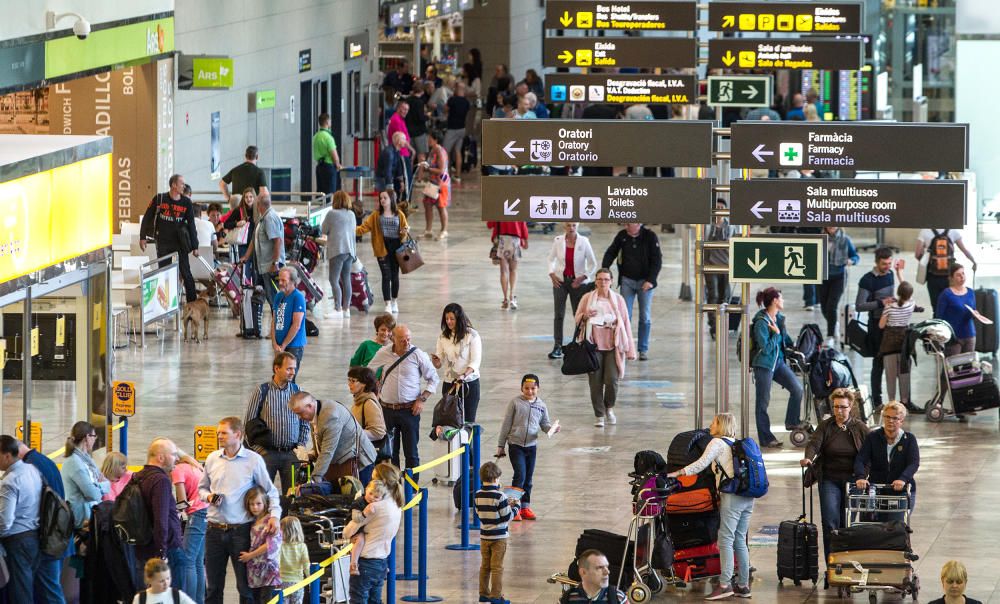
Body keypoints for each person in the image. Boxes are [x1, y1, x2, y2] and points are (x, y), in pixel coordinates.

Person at [667, 413, 753, 599]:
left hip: (732, 496)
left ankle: (724, 585)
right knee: (739, 539)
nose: (710, 425)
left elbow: (700, 464)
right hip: (748, 496)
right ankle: (743, 585)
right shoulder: (737, 444)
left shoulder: (717, 443)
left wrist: (677, 473)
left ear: (721, 425)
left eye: (714, 422)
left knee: (725, 539)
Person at [198, 416, 281, 604]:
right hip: (214, 530)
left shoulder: (253, 460)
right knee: (213, 587)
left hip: (241, 532)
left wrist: (275, 517)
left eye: (224, 433)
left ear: (238, 435)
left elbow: (271, 491)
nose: (219, 436)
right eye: (219, 432)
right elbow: (201, 488)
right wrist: (209, 497)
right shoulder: (212, 459)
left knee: (245, 587)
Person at [801, 388, 871, 561]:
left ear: (851, 407)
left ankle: (847, 562)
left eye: (843, 407)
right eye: (836, 407)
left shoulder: (860, 428)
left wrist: (864, 475)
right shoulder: (826, 425)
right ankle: (832, 563)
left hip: (854, 481)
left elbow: (870, 452)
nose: (839, 411)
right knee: (830, 522)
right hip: (829, 479)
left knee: (847, 523)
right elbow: (814, 443)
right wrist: (808, 458)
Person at [369, 325, 440, 473]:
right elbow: (369, 371)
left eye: (408, 339)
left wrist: (422, 399)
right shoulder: (384, 353)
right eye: (402, 340)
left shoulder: (417, 354)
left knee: (411, 453)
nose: (406, 343)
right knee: (389, 451)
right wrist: (374, 388)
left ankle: (412, 488)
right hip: (387, 410)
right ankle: (394, 486)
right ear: (392, 339)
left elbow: (433, 379)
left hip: (410, 410)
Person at [575, 268, 636, 427]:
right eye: (600, 279)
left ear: (611, 281)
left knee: (612, 380)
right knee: (595, 382)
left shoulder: (618, 300)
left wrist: (630, 349)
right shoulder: (587, 298)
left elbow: (625, 323)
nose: (603, 282)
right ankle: (599, 414)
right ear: (595, 281)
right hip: (593, 346)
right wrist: (586, 316)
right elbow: (577, 318)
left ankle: (609, 407)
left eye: (606, 279)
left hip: (613, 346)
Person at [132, 438, 192, 596]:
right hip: (167, 548)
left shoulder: (138, 477)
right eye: (173, 454)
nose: (177, 458)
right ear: (160, 457)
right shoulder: (160, 481)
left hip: (143, 546)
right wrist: (162, 553)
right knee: (174, 595)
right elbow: (161, 519)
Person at [496, 374, 558, 521]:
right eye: (526, 388)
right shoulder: (515, 403)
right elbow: (506, 424)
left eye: (533, 388)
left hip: (531, 447)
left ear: (538, 388)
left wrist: (552, 429)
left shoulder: (541, 405)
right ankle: (513, 508)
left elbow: (544, 424)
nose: (529, 391)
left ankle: (525, 507)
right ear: (521, 388)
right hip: (515, 445)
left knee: (528, 479)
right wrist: (500, 445)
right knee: (520, 475)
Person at [244, 351, 308, 491]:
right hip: (267, 454)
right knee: (262, 494)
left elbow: (305, 422)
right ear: (277, 368)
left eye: (294, 368)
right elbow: (248, 423)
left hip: (291, 454)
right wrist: (258, 450)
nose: (293, 372)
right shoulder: (261, 391)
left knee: (293, 495)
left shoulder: (297, 391)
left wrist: (300, 447)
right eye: (289, 368)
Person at [749, 288, 804, 448]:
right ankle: (766, 438)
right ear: (774, 301)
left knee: (797, 389)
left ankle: (792, 421)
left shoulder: (778, 318)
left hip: (778, 362)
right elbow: (765, 348)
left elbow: (784, 339)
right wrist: (777, 334)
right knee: (763, 403)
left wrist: (794, 346)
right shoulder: (761, 322)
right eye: (781, 298)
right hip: (764, 364)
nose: (783, 301)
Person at [601, 223, 662, 361]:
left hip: (645, 282)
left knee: (644, 316)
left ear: (639, 224)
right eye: (626, 223)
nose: (627, 226)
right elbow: (611, 252)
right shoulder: (622, 236)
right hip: (627, 280)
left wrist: (651, 280)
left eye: (630, 223)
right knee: (624, 316)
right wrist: (605, 269)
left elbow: (657, 260)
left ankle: (643, 349)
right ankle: (625, 346)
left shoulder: (650, 237)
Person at [343, 464, 403, 604]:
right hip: (382, 562)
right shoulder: (396, 503)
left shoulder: (374, 508)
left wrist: (361, 514)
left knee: (358, 600)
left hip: (365, 563)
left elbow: (347, 532)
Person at [289, 392, 376, 484]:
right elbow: (321, 441)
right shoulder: (316, 410)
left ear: (310, 406)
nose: (299, 417)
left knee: (359, 497)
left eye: (300, 413)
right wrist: (310, 455)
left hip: (361, 463)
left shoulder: (330, 416)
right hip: (343, 462)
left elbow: (328, 451)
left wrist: (315, 478)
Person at [19, 439, 68, 604]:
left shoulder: (30, 467)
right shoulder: (43, 460)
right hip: (56, 535)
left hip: (47, 540)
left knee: (50, 591)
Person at [854, 401, 920, 519]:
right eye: (887, 417)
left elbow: (913, 463)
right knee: (870, 523)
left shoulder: (909, 439)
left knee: (896, 526)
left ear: (901, 421)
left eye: (895, 418)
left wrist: (903, 479)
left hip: (901, 490)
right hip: (877, 489)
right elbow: (860, 459)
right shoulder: (873, 437)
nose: (890, 421)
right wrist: (860, 477)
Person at [140, 174, 200, 303]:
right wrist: (142, 237)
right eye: (181, 184)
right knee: (163, 274)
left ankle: (192, 304)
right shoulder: (160, 199)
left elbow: (192, 226)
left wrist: (195, 246)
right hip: (163, 242)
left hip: (181, 243)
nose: (184, 186)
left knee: (186, 274)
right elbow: (147, 217)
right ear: (173, 185)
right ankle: (165, 304)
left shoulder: (186, 203)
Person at [856, 247, 904, 410]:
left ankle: (898, 399)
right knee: (878, 364)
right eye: (884, 264)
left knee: (893, 362)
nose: (887, 267)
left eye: (889, 263)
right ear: (876, 262)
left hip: (892, 324)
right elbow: (860, 306)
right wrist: (880, 303)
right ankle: (877, 401)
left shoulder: (890, 274)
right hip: (876, 325)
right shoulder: (867, 280)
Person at [0, 434, 43, 601]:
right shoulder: (31, 470)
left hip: (17, 542)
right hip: (33, 536)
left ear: (7, 455)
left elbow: (5, 522)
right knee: (26, 587)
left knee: (20, 593)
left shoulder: (10, 481)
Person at [547, 222, 597, 358]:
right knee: (559, 314)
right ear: (565, 226)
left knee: (579, 315)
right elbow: (551, 259)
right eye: (569, 225)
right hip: (560, 281)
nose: (571, 228)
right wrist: (551, 274)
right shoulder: (558, 241)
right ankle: (557, 346)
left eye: (574, 225)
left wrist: (583, 277)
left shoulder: (584, 241)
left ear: (578, 226)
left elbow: (593, 263)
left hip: (578, 283)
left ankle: (578, 343)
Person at [357, 190, 410, 313]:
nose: (382, 200)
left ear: (392, 199)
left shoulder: (399, 214)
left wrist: (404, 232)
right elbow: (363, 228)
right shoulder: (376, 215)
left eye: (385, 198)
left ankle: (394, 301)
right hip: (382, 247)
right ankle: (387, 303)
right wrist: (349, 229)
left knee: (395, 275)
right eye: (381, 198)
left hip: (397, 247)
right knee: (386, 276)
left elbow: (405, 229)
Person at [476, 461, 520, 604]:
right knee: (497, 567)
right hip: (499, 538)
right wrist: (516, 507)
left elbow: (479, 513)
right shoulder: (500, 496)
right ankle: (496, 596)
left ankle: (483, 593)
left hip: (484, 536)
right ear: (496, 479)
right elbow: (507, 517)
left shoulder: (478, 494)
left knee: (485, 566)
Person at [432, 303, 483, 422]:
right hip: (450, 383)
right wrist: (436, 361)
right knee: (450, 421)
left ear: (459, 319)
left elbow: (475, 362)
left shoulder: (472, 335)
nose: (449, 322)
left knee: (468, 421)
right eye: (446, 319)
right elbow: (439, 364)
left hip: (469, 384)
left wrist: (464, 376)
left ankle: (467, 441)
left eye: (452, 319)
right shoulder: (443, 337)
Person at [172, 451, 208, 604]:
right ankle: (199, 600)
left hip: (197, 514)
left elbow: (182, 502)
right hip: (207, 511)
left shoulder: (177, 470)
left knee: (187, 560)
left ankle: (190, 601)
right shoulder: (193, 466)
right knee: (198, 561)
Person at [239, 193, 285, 313]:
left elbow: (277, 241)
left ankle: (278, 328)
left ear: (259, 205)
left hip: (271, 266)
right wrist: (246, 257)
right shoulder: (262, 218)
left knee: (274, 299)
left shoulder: (270, 218)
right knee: (270, 298)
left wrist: (275, 263)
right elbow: (254, 240)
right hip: (264, 266)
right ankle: (275, 328)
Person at [60, 421, 110, 528]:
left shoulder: (86, 459)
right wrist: (101, 485)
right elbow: (93, 494)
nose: (95, 439)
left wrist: (96, 485)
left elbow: (102, 484)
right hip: (81, 520)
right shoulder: (75, 463)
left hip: (89, 514)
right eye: (94, 436)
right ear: (87, 437)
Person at [916, 228, 977, 314]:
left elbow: (917, 254)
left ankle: (938, 324)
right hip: (950, 277)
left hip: (933, 277)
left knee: (936, 307)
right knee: (950, 305)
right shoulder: (953, 231)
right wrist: (973, 261)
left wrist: (927, 261)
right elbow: (965, 251)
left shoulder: (925, 231)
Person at [237, 486, 282, 603]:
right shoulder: (251, 520)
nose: (255, 507)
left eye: (258, 503)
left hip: (269, 569)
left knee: (267, 600)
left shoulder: (270, 521)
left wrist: (250, 556)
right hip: (255, 571)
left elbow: (270, 545)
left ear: (265, 503)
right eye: (252, 504)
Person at [936, 263, 989, 356]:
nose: (962, 277)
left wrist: (975, 314)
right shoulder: (946, 294)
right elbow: (939, 317)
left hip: (970, 334)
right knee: (952, 367)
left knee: (969, 367)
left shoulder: (971, 292)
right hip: (954, 337)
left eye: (963, 273)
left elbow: (973, 310)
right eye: (958, 275)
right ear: (951, 277)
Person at [880, 282, 918, 407]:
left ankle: (891, 401)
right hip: (904, 345)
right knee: (904, 374)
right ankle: (905, 401)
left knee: (890, 376)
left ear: (898, 293)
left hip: (889, 345)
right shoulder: (911, 305)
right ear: (910, 294)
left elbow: (881, 325)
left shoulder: (889, 307)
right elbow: (909, 296)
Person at [347, 366, 387, 485]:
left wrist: (353, 433)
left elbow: (379, 432)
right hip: (359, 456)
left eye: (353, 381)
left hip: (366, 459)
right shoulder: (359, 401)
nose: (350, 384)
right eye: (349, 380)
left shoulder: (368, 403)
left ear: (364, 384)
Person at [321, 191, 358, 319]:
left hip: (337, 250)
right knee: (346, 279)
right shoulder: (351, 214)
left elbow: (323, 230)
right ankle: (346, 309)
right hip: (350, 251)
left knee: (334, 279)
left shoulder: (332, 214)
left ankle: (337, 309)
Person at [705, 200, 738, 340]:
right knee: (713, 296)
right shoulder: (708, 226)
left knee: (724, 296)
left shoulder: (731, 227)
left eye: (721, 208)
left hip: (726, 266)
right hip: (711, 266)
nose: (719, 210)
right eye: (716, 208)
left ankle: (724, 324)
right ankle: (714, 326)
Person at [819, 227, 860, 338]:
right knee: (823, 307)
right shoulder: (819, 238)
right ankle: (834, 324)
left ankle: (830, 336)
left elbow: (856, 256)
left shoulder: (845, 239)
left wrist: (852, 261)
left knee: (831, 306)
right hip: (822, 276)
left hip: (839, 276)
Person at [345, 480, 388, 576]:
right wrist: (365, 512)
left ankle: (382, 564)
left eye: (376, 497)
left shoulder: (379, 505)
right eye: (370, 494)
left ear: (381, 498)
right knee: (360, 540)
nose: (372, 498)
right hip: (356, 529)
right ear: (366, 490)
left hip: (367, 527)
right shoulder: (359, 502)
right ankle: (353, 564)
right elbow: (355, 518)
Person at [487, 219, 528, 310]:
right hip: (515, 239)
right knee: (513, 270)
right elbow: (523, 223)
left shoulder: (498, 206)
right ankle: (512, 296)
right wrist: (525, 239)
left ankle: (505, 299)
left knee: (503, 271)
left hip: (502, 239)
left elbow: (490, 224)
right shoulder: (519, 205)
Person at [558, 550, 627, 604]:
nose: (607, 572)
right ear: (583, 572)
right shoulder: (567, 599)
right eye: (599, 568)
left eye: (607, 567)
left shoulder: (618, 597)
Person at [272, 267, 307, 371]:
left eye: (284, 280)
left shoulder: (298, 297)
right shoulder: (278, 296)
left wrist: (283, 346)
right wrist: (274, 343)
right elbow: (274, 321)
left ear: (292, 281)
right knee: (279, 377)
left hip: (293, 345)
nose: (280, 283)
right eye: (279, 280)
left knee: (289, 378)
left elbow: (296, 325)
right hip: (279, 345)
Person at [417, 130, 450, 240]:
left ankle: (444, 230)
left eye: (430, 138)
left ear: (435, 139)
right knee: (427, 204)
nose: (428, 140)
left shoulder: (440, 152)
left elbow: (441, 170)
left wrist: (428, 169)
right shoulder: (432, 151)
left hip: (441, 183)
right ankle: (428, 230)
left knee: (441, 206)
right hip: (432, 182)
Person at [133, 558, 198, 604]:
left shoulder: (176, 595)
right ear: (149, 580)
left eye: (168, 578)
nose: (166, 583)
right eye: (161, 581)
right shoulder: (140, 599)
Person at [443, 80, 470, 181]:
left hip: (452, 129)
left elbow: (445, 109)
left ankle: (446, 173)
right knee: (458, 151)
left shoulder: (452, 100)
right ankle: (458, 175)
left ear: (456, 89)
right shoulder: (466, 102)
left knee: (445, 151)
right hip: (462, 128)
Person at [278, 516, 310, 604]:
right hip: (297, 583)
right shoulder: (302, 546)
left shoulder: (280, 546)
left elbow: (275, 564)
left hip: (282, 582)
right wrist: (310, 579)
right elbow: (306, 566)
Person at [387, 101, 415, 193]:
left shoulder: (400, 119)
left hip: (403, 153)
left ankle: (405, 201)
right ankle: (405, 202)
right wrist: (412, 150)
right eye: (403, 109)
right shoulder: (396, 120)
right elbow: (401, 139)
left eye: (407, 110)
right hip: (401, 153)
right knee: (405, 178)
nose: (405, 111)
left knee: (406, 178)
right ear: (398, 108)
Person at [312, 113, 343, 195]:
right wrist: (338, 165)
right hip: (329, 167)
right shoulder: (328, 137)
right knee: (329, 192)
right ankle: (328, 207)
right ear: (327, 122)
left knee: (320, 192)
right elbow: (334, 154)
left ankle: (319, 207)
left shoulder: (316, 137)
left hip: (319, 167)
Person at [375, 131, 407, 198]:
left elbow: (399, 168)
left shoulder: (397, 151)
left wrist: (401, 181)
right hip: (383, 179)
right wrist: (390, 187)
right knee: (385, 200)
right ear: (398, 141)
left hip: (389, 178)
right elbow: (387, 171)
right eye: (404, 139)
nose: (406, 141)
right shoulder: (389, 153)